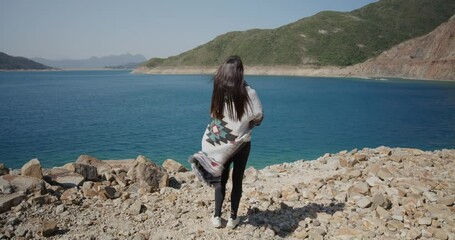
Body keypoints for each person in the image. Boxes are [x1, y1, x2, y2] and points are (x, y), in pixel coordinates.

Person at [201, 55, 263, 229]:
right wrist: (249, 122)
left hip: (221, 143)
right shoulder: (249, 92)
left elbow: (214, 115)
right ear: (240, 72)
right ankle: (233, 218)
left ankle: (216, 216)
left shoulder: (218, 90)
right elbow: (258, 117)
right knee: (237, 180)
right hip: (241, 143)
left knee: (221, 179)